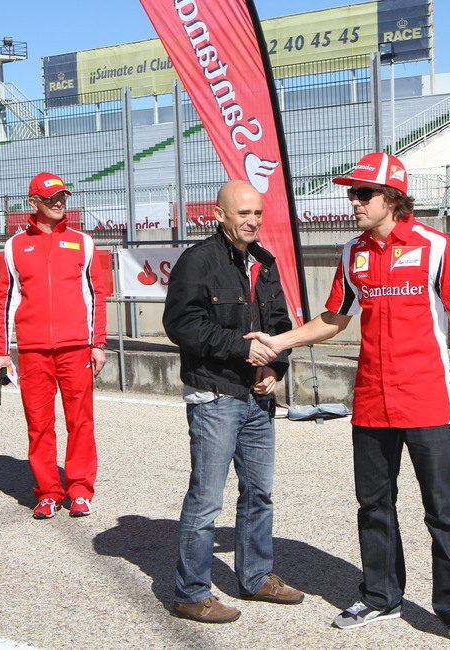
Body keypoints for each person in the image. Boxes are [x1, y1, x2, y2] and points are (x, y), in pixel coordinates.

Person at [246, 153, 450, 650]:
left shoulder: (436, 246)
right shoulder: (351, 252)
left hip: (426, 400)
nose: (352, 201)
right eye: (352, 192)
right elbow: (334, 320)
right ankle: (381, 595)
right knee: (373, 505)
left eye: (363, 193)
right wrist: (278, 342)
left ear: (393, 198)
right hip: (372, 400)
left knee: (443, 509)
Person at [162, 180, 301, 624]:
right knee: (206, 500)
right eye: (243, 213)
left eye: (257, 213)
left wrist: (275, 366)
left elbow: (280, 323)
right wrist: (243, 350)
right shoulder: (197, 261)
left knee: (259, 494)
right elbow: (182, 325)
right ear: (219, 215)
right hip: (215, 396)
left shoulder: (264, 261)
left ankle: (256, 576)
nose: (252, 221)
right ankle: (190, 592)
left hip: (257, 398)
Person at [0, 172, 108, 519]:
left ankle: (80, 490)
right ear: (34, 203)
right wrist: (2, 351)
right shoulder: (14, 246)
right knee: (39, 424)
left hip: (76, 349)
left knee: (81, 421)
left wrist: (97, 343)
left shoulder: (83, 242)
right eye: (52, 197)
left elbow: (96, 295)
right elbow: (6, 300)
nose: (60, 203)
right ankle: (47, 492)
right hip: (33, 351)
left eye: (63, 197)